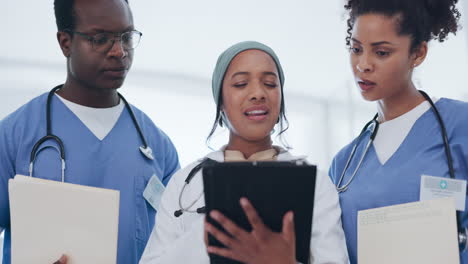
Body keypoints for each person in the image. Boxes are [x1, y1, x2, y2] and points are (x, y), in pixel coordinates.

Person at [0, 0, 180, 263]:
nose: (119, 51)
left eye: (126, 37)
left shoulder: (157, 145)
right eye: (100, 39)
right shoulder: (15, 135)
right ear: (65, 42)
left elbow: (177, 242)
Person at [139, 41, 349, 264]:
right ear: (221, 102)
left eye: (269, 83)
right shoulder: (184, 183)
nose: (258, 93)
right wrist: (206, 233)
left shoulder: (316, 183)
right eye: (240, 84)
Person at [328, 0, 468, 263]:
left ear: (418, 53)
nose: (363, 64)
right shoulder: (343, 164)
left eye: (381, 53)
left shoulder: (460, 124)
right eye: (356, 49)